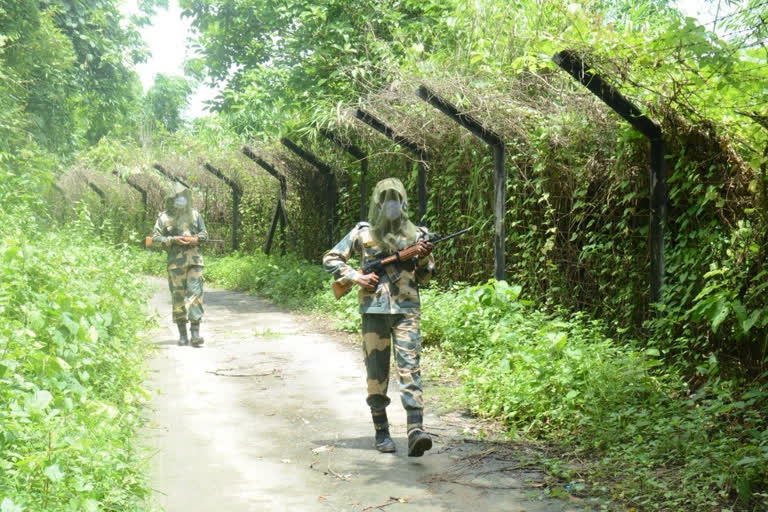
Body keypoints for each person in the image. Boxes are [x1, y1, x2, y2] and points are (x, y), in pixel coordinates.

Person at [323, 178, 435, 457]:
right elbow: (330, 258)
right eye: (386, 198)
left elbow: (426, 276)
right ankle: (382, 430)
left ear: (404, 202)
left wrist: (421, 257)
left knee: (410, 368)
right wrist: (356, 276)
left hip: (407, 310)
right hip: (374, 310)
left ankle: (415, 430)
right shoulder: (363, 233)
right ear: (378, 203)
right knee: (376, 373)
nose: (391, 203)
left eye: (395, 198)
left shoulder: (418, 235)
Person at [152, 184, 209, 347]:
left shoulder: (195, 215)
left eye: (184, 196)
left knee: (195, 295)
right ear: (171, 199)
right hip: (175, 265)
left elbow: (205, 234)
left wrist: (197, 239)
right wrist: (172, 240)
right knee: (178, 297)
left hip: (195, 261)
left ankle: (195, 334)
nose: (181, 199)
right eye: (178, 197)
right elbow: (155, 238)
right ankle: (182, 335)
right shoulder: (163, 218)